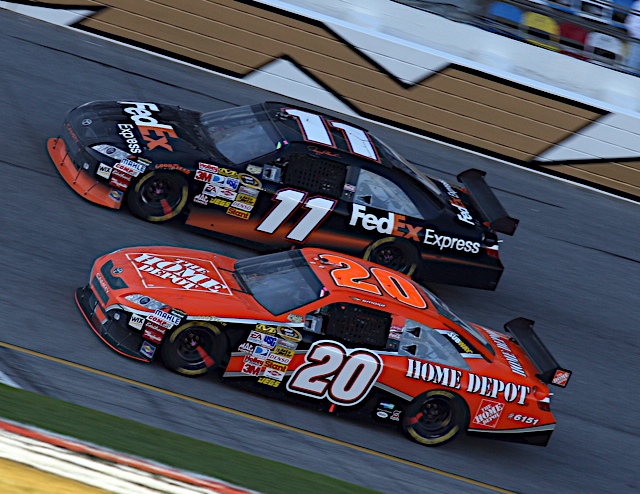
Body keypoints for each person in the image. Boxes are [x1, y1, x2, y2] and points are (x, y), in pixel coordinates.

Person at [624, 1, 640, 75]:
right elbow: (631, 24)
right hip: (636, 40)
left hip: (635, 39)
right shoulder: (638, 3)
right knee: (631, 70)